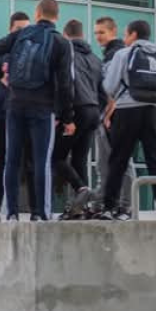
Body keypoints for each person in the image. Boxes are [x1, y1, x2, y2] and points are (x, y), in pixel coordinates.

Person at [0, 0, 75, 221]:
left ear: (37, 14)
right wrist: (67, 117)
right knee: (41, 160)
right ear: (57, 15)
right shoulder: (61, 43)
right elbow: (65, 84)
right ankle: (39, 213)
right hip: (43, 107)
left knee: (12, 160)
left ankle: (12, 212)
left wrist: (0, 75)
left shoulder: (21, 35)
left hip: (15, 104)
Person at [98, 20, 156, 220]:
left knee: (119, 160)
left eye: (126, 34)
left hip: (128, 111)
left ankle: (109, 207)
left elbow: (109, 86)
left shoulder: (123, 54)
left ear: (133, 34)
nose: (124, 39)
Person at [49, 20, 104, 212]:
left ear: (65, 35)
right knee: (80, 159)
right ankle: (82, 207)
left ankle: (81, 189)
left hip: (76, 110)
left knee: (55, 156)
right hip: (94, 112)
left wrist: (66, 116)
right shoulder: (95, 58)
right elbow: (103, 90)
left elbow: (66, 85)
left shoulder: (67, 54)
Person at [0, 12, 30, 222]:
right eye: (18, 29)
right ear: (10, 30)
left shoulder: (33, 55)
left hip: (25, 117)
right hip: (1, 118)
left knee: (27, 164)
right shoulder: (0, 57)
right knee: (0, 166)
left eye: (26, 29)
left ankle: (32, 210)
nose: (22, 34)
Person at [93, 17, 133, 220]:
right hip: (112, 114)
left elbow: (114, 88)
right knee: (112, 162)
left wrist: (108, 114)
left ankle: (124, 205)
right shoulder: (113, 53)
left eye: (102, 32)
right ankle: (116, 203)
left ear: (112, 31)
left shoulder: (115, 53)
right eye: (96, 33)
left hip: (113, 115)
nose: (98, 36)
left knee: (119, 161)